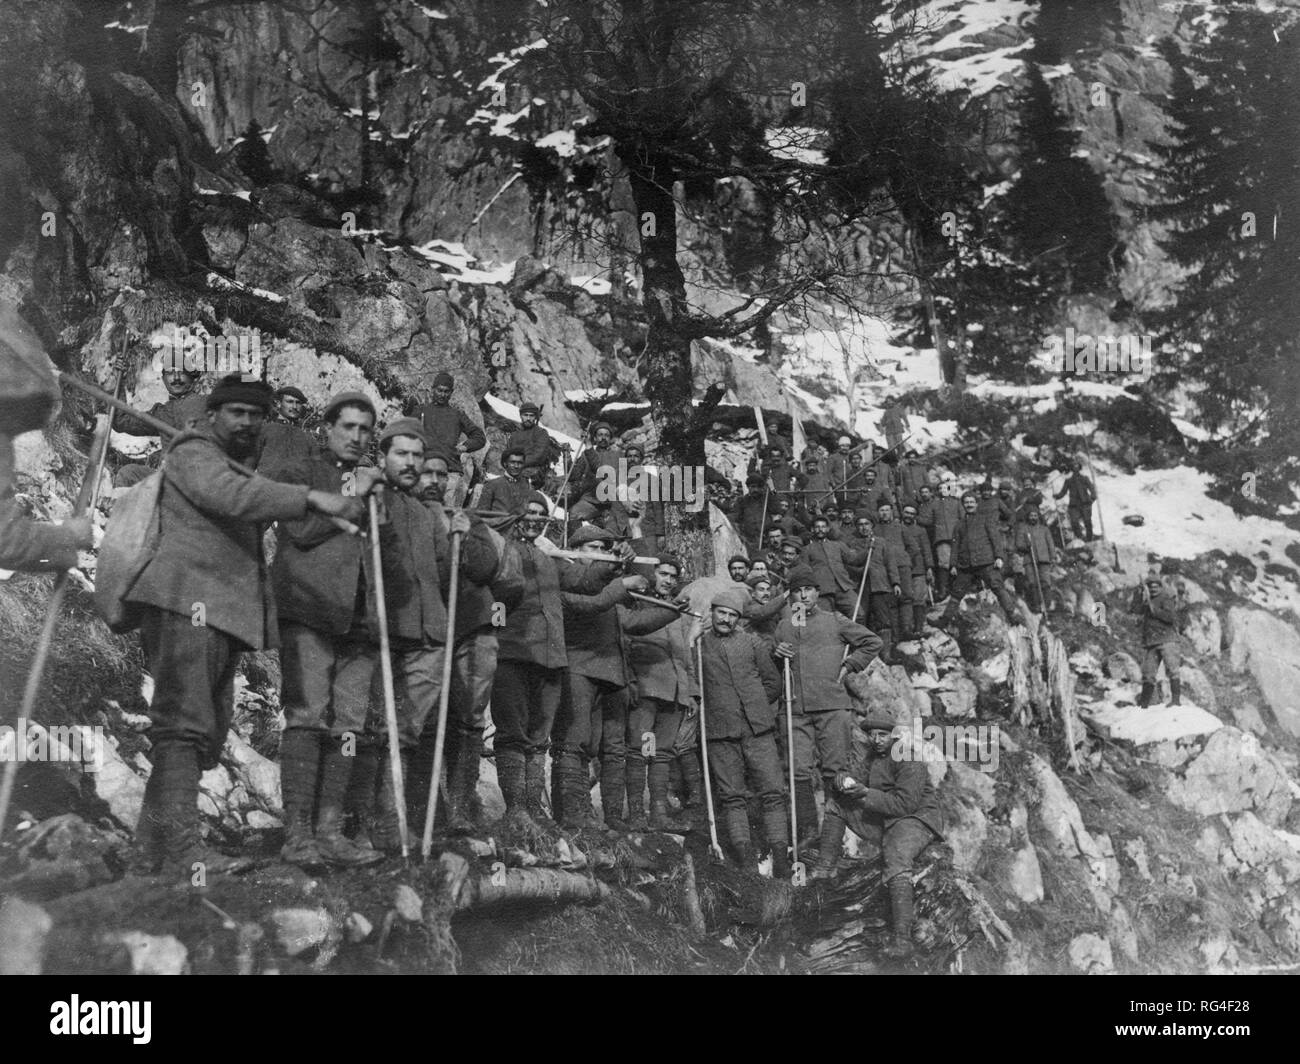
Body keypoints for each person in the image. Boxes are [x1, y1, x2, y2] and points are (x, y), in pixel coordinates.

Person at [126, 375, 364, 878]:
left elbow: (247, 491)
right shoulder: (193, 451)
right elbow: (231, 496)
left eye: (256, 415)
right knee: (184, 727)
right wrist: (315, 498)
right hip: (186, 603)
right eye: (237, 412)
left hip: (219, 615)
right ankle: (184, 853)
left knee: (196, 732)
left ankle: (148, 854)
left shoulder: (239, 463)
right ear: (212, 415)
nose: (248, 422)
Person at [269, 390, 384, 869]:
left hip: (361, 621)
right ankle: (296, 833)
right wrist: (350, 499)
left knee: (350, 726)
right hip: (311, 610)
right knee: (308, 715)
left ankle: (331, 829)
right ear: (328, 428)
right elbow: (298, 533)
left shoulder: (376, 485)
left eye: (365, 430)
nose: (357, 437)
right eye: (348, 427)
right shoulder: (301, 472)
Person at [363, 419, 467, 853]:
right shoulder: (368, 493)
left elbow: (446, 573)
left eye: (417, 456)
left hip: (431, 634)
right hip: (384, 628)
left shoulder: (428, 514)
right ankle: (365, 818)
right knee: (373, 727)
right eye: (400, 454)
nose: (410, 463)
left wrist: (458, 536)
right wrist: (358, 490)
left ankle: (395, 822)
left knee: (406, 731)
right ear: (382, 455)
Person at [492, 499, 628, 831]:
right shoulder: (500, 550)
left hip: (551, 658)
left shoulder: (549, 558)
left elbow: (585, 580)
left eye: (541, 515)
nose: (536, 520)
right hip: (512, 650)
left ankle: (533, 809)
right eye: (529, 513)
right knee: (513, 731)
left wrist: (613, 565)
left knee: (539, 737)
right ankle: (515, 810)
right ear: (515, 516)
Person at [553, 525, 678, 831]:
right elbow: (592, 603)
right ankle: (571, 812)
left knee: (606, 747)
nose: (600, 553)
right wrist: (619, 575)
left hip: (609, 673)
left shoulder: (608, 588)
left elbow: (632, 621)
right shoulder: (569, 578)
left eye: (603, 548)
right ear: (576, 552)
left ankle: (605, 816)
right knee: (575, 741)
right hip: (579, 668)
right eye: (593, 547)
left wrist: (671, 611)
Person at [413, 451, 509, 832]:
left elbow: (487, 567)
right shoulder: (408, 516)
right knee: (426, 715)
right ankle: (426, 807)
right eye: (427, 473)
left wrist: (463, 539)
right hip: (427, 627)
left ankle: (461, 806)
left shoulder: (465, 518)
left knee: (469, 716)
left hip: (472, 627)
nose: (435, 480)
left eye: (442, 474)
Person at [810, 713, 943, 960]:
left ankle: (902, 938)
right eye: (873, 735)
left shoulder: (908, 757)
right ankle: (824, 867)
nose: (877, 739)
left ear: (894, 736)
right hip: (886, 818)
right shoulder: (871, 755)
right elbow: (853, 774)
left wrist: (864, 794)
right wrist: (842, 778)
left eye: (882, 735)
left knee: (896, 856)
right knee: (837, 805)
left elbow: (905, 804)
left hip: (916, 819)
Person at [772, 566, 882, 849]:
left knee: (835, 771)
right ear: (791, 595)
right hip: (795, 707)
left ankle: (837, 840)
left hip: (832, 706)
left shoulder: (834, 620)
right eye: (797, 590)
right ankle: (807, 833)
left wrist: (849, 666)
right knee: (797, 771)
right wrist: (776, 652)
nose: (803, 595)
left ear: (817, 593)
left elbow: (873, 642)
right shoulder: (784, 625)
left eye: (808, 589)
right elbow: (773, 662)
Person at [696, 588, 789, 874]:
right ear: (712, 613)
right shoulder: (698, 646)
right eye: (721, 613)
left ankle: (781, 858)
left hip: (757, 729)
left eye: (732, 615)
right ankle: (747, 861)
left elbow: (773, 683)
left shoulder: (752, 643)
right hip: (720, 732)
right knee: (732, 796)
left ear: (739, 619)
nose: (726, 619)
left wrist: (757, 705)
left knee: (773, 791)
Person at [625, 555, 696, 831]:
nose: (668, 580)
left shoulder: (677, 610)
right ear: (652, 575)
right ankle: (637, 814)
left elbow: (684, 655)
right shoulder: (638, 603)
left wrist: (691, 692)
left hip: (675, 692)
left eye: (673, 576)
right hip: (647, 688)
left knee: (662, 753)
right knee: (641, 749)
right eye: (663, 574)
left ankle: (658, 812)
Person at [113, 364, 208, 487]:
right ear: (163, 379)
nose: (176, 378)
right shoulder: (163, 413)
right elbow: (122, 422)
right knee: (128, 474)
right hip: (170, 482)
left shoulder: (208, 405)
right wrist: (118, 382)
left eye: (182, 372)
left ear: (192, 377)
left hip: (203, 481)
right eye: (170, 373)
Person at [939, 492, 1018, 629]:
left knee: (998, 588)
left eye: (971, 502)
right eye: (966, 502)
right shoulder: (959, 525)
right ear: (963, 505)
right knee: (956, 593)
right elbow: (955, 546)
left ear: (976, 504)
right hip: (966, 565)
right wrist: (953, 565)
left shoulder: (985, 519)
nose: (969, 504)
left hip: (986, 562)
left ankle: (1012, 616)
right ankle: (943, 621)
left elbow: (995, 539)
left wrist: (998, 557)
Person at [415, 371, 487, 506]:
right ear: (433, 390)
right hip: (425, 469)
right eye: (439, 390)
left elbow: (479, 437)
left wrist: (465, 446)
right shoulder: (421, 411)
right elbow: (406, 432)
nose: (442, 395)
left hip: (450, 472)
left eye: (446, 391)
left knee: (446, 515)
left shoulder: (457, 415)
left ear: (451, 392)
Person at [1131, 570, 1183, 706]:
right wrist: (1138, 593)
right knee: (1148, 673)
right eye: (1150, 586)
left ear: (1160, 587)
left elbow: (1170, 618)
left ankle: (1176, 701)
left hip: (1168, 640)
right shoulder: (1147, 600)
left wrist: (1153, 608)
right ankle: (1143, 704)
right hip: (1151, 642)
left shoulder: (1166, 598)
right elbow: (1135, 609)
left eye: (1156, 586)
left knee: (1173, 671)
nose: (1153, 588)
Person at [805, 514, 870, 616]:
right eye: (817, 527)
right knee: (826, 620)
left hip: (843, 587)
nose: (820, 530)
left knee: (858, 614)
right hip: (822, 591)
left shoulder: (838, 545)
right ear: (813, 529)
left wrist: (867, 549)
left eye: (823, 527)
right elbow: (805, 571)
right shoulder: (807, 549)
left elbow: (854, 559)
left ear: (827, 529)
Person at [255, 385, 318, 475]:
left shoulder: (307, 438)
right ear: (279, 404)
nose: (294, 406)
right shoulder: (266, 431)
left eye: (298, 403)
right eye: (290, 402)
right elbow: (248, 465)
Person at [565, 421, 622, 521]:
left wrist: (588, 446)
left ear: (610, 439)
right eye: (600, 435)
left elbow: (603, 471)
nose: (603, 438)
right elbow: (573, 476)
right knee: (574, 513)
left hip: (612, 503)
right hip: (591, 500)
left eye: (607, 435)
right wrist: (567, 459)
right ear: (595, 438)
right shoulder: (585, 454)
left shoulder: (616, 455)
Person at [899, 503, 936, 636]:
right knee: (906, 599)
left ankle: (919, 628)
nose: (909, 516)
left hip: (918, 568)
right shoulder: (896, 528)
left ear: (915, 516)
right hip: (902, 570)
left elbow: (926, 549)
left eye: (912, 514)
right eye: (907, 512)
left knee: (919, 598)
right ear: (902, 513)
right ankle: (906, 629)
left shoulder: (920, 530)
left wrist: (929, 567)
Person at [1013, 506, 1058, 614]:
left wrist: (1053, 557)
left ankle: (1046, 606)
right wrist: (1026, 546)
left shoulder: (1044, 529)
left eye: (1035, 516)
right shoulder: (1023, 528)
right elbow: (1018, 544)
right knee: (1032, 582)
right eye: (1031, 516)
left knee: (1045, 582)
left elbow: (1050, 544)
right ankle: (1036, 606)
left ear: (1038, 517)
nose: (1033, 518)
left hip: (1044, 559)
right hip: (1029, 559)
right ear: (1027, 517)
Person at [478, 446, 543, 515]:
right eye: (512, 462)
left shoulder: (526, 485)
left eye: (520, 463)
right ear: (505, 464)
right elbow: (481, 513)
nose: (516, 466)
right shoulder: (492, 485)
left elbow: (537, 503)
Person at [507, 401, 562, 479]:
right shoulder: (514, 435)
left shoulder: (541, 433)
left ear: (535, 417)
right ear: (521, 416)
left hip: (534, 470)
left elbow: (538, 456)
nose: (528, 418)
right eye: (525, 415)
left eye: (531, 416)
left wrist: (518, 463)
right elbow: (508, 453)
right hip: (515, 467)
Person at [929, 480, 963, 601]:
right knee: (943, 563)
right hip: (941, 537)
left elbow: (963, 518)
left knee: (957, 562)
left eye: (945, 488)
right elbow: (928, 519)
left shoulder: (956, 503)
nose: (943, 491)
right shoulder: (934, 504)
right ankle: (943, 590)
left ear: (949, 490)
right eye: (940, 488)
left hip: (956, 536)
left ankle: (956, 589)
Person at [1055, 458, 1097, 542]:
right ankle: (1080, 537)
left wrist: (1093, 497)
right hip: (1074, 505)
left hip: (1085, 503)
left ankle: (1089, 539)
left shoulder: (1085, 478)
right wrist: (1057, 496)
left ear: (1079, 467)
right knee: (1074, 522)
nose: (1075, 467)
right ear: (1072, 468)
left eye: (1077, 465)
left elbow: (1092, 488)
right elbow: (1063, 492)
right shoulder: (1069, 481)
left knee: (1087, 522)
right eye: (1074, 466)